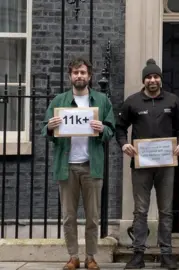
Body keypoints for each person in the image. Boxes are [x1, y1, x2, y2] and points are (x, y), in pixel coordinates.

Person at [41, 57, 115, 270]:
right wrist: (49, 127)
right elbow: (45, 130)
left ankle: (90, 257)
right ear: (70, 76)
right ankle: (73, 256)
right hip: (67, 166)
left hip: (92, 166)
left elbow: (111, 130)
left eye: (83, 72)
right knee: (68, 216)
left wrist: (103, 129)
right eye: (75, 72)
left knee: (92, 217)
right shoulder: (58, 101)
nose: (79, 76)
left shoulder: (101, 101)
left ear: (89, 76)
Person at [116, 59, 179, 269]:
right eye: (149, 77)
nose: (152, 80)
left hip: (166, 164)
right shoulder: (132, 102)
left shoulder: (173, 101)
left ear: (160, 79)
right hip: (141, 165)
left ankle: (166, 254)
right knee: (140, 211)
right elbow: (120, 128)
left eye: (156, 76)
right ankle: (138, 254)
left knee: (166, 211)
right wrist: (124, 145)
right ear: (144, 80)